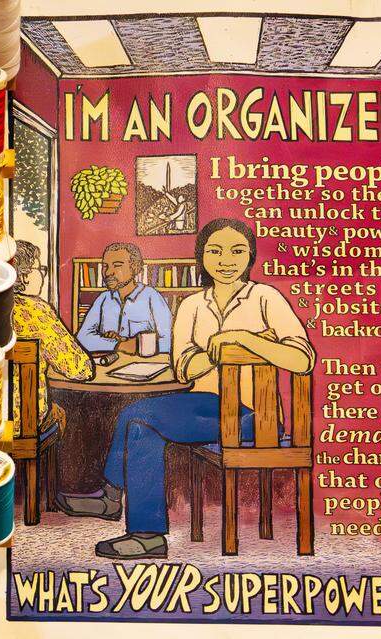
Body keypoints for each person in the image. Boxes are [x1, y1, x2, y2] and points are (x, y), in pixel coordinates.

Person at [58, 219, 314, 559]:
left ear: (250, 256)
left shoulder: (266, 297)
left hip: (256, 417)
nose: (226, 260)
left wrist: (241, 339)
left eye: (237, 251)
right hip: (204, 406)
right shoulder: (192, 305)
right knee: (136, 419)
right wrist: (220, 349)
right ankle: (144, 533)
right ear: (201, 256)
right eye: (215, 251)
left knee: (139, 419)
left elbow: (303, 358)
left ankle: (115, 502)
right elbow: (184, 368)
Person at [11, 241, 93, 421]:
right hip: (27, 421)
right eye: (40, 269)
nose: (42, 274)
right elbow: (79, 368)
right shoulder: (36, 311)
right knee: (60, 414)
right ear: (24, 276)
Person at [76, 242, 172, 354]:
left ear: (134, 267)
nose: (108, 272)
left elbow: (169, 342)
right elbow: (82, 338)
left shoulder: (152, 297)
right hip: (109, 363)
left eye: (117, 265)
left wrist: (137, 345)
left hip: (143, 364)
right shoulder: (103, 299)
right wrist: (119, 344)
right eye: (105, 266)